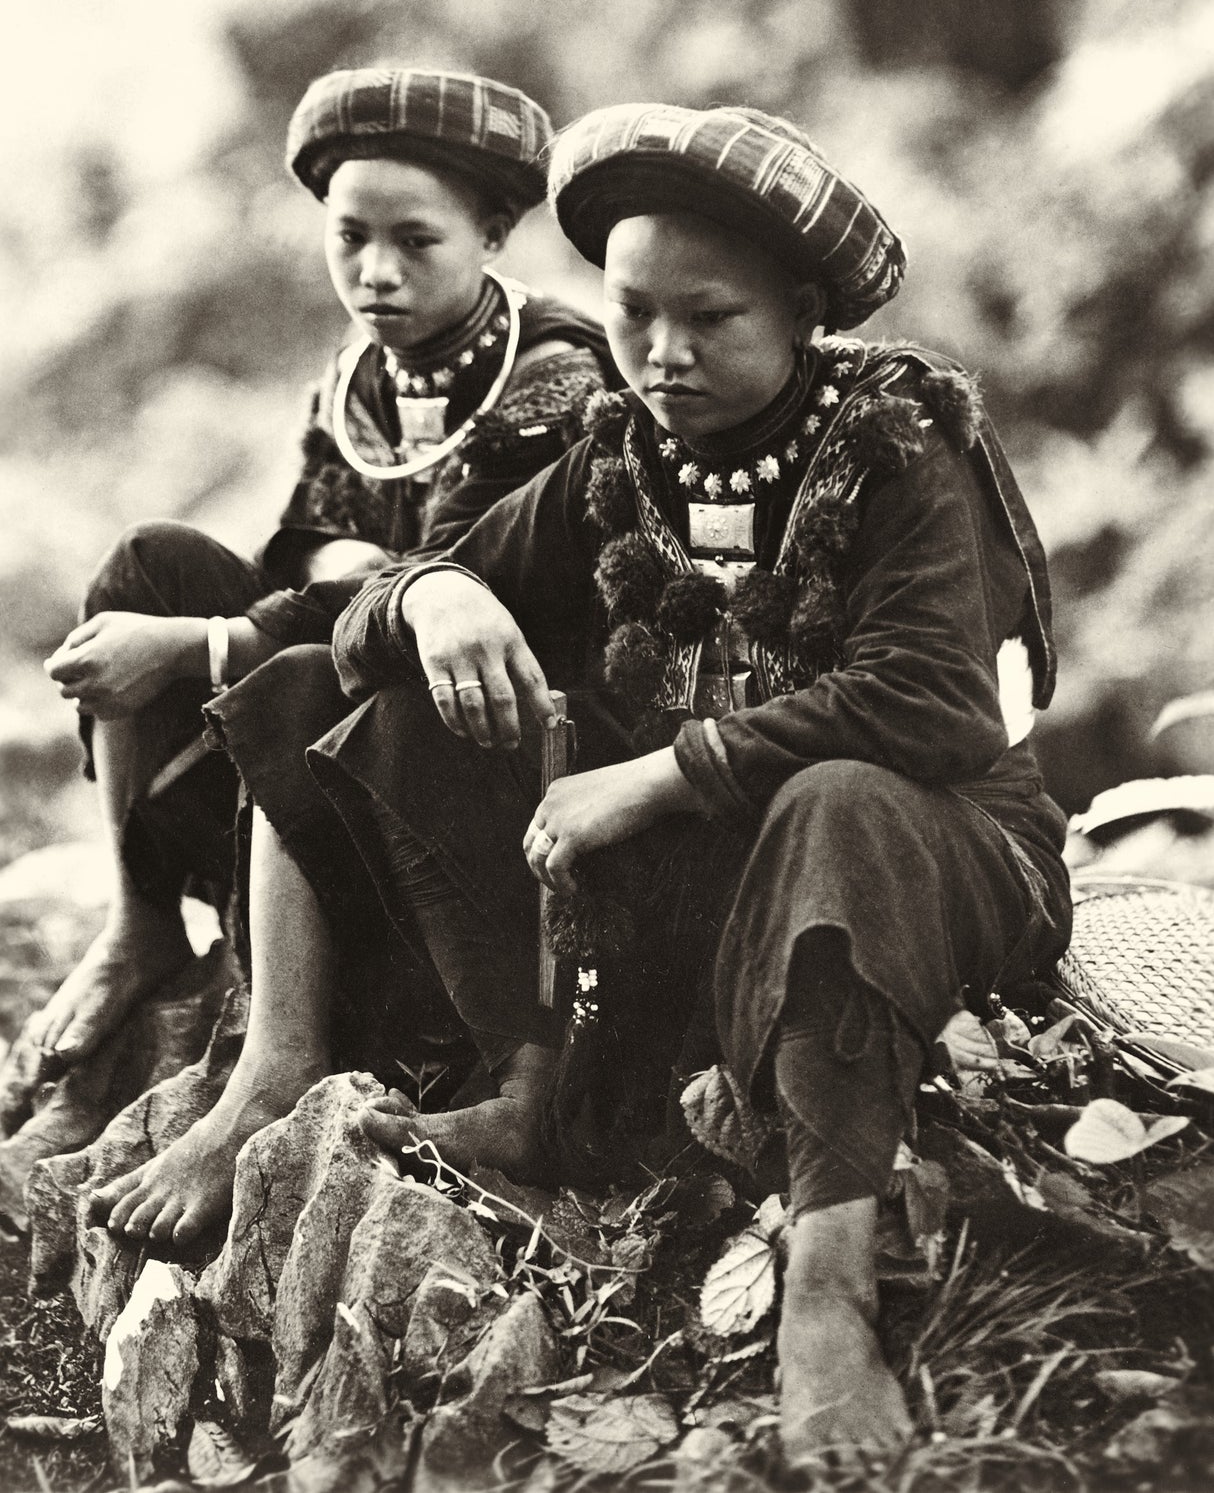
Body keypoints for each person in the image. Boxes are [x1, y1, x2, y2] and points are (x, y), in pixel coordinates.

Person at [243, 100, 1070, 1457]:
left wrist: (663, 776)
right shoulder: (618, 456)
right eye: (632, 314)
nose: (665, 356)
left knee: (835, 800)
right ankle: (527, 1089)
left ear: (802, 313)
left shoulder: (898, 443)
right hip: (715, 882)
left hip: (927, 858)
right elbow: (356, 616)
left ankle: (826, 1294)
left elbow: (934, 702)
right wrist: (440, 594)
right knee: (346, 697)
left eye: (713, 319)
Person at [32, 66, 607, 1079]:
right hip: (347, 665)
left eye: (415, 241)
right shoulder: (359, 376)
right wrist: (334, 566)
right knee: (149, 564)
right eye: (350, 237)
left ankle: (286, 1048)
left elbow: (447, 572)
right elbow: (301, 545)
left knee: (297, 674)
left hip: (467, 744)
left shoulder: (552, 375)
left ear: (491, 236)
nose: (375, 273)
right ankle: (140, 918)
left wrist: (200, 644)